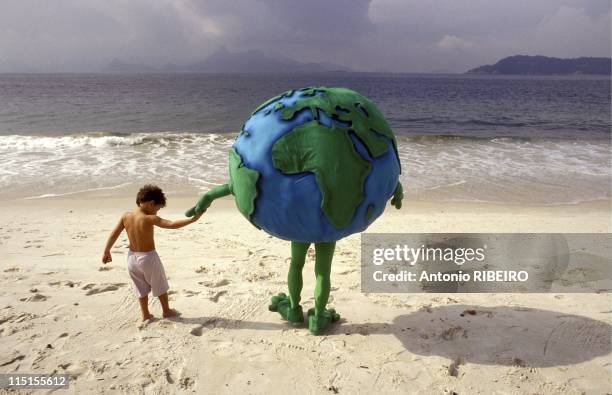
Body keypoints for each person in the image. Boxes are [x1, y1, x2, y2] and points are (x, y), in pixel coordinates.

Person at [102, 184, 203, 321]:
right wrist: (192, 220)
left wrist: (107, 250)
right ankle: (166, 311)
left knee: (140, 287)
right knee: (159, 284)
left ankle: (145, 314)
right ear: (151, 204)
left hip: (131, 258)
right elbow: (171, 224)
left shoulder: (126, 216)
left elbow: (114, 234)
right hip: (148, 258)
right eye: (158, 208)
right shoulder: (150, 218)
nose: (157, 212)